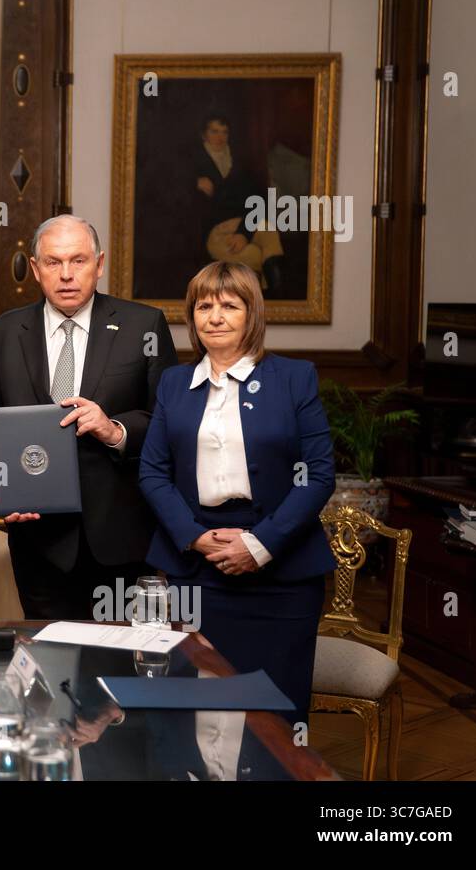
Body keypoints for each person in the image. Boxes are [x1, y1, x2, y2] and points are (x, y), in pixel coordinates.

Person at [138, 260, 335, 732]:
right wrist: (192, 537)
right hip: (199, 569)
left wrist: (259, 545)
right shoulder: (173, 384)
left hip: (283, 574)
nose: (215, 316)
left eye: (230, 305)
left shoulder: (295, 378)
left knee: (275, 720)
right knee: (200, 715)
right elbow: (152, 472)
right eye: (203, 306)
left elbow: (318, 474)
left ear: (253, 314)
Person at [0, 214, 178, 619]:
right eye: (53, 262)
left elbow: (168, 424)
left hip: (121, 539)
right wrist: (1, 480)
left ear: (99, 264)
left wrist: (115, 429)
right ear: (35, 269)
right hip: (38, 542)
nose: (66, 274)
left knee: (116, 670)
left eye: (78, 261)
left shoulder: (144, 326)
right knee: (51, 668)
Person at [192, 114, 284, 291]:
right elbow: (170, 190)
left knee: (269, 231)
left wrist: (243, 232)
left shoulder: (239, 163)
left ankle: (280, 299)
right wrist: (193, 182)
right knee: (256, 255)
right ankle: (279, 304)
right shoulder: (192, 162)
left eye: (225, 132)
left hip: (242, 225)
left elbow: (259, 201)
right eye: (214, 131)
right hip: (215, 233)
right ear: (204, 134)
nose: (220, 137)